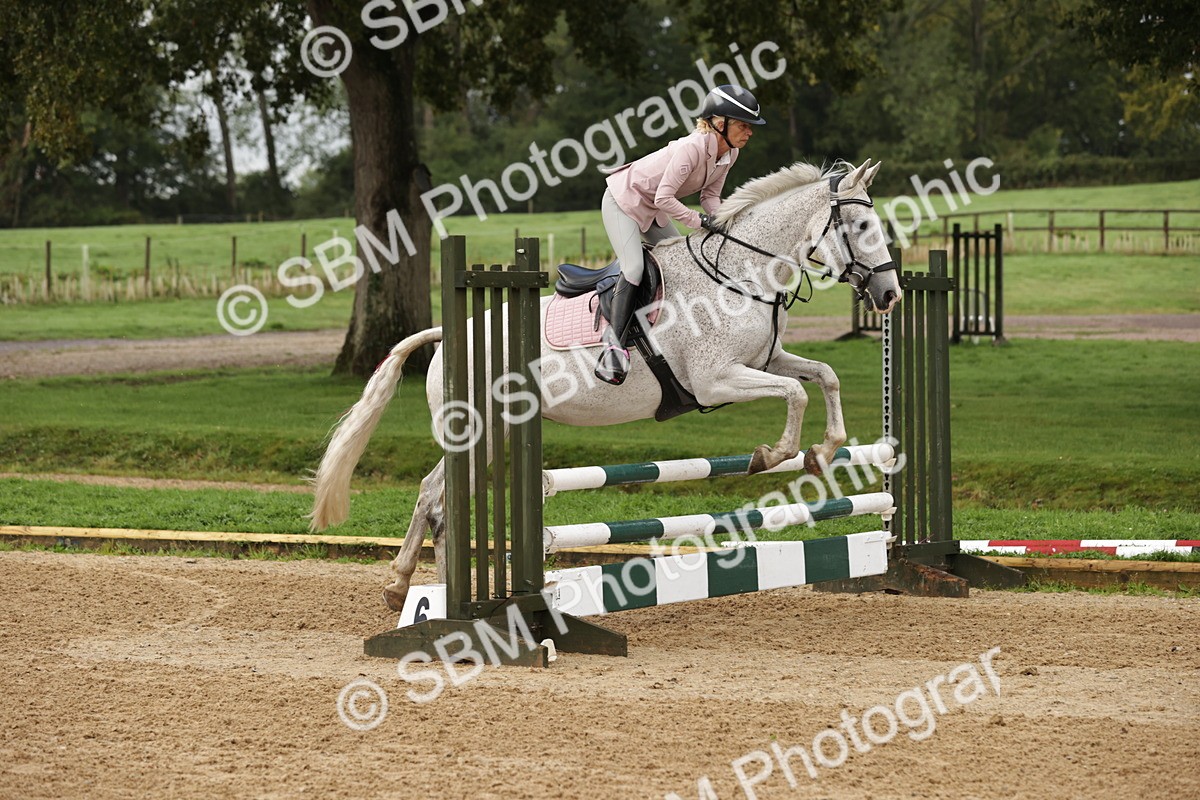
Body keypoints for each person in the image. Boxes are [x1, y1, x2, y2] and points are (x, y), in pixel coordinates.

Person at [595, 84, 765, 385]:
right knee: (633, 267)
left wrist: (727, 221)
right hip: (623, 201)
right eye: (743, 125)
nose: (749, 132)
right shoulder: (692, 148)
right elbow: (664, 197)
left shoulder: (730, 153)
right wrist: (699, 221)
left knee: (684, 264)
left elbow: (710, 198)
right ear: (720, 123)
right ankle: (613, 347)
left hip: (653, 207)